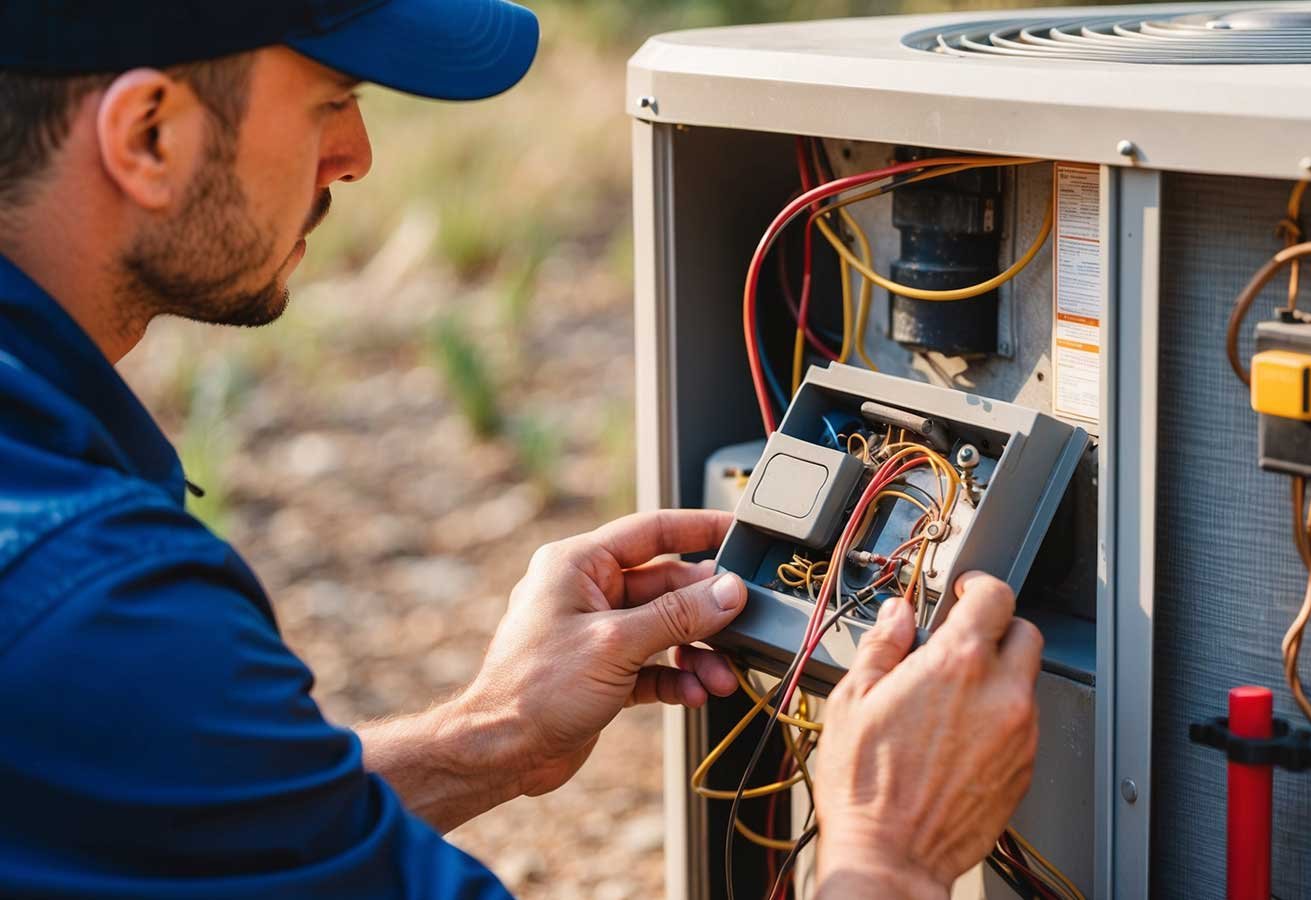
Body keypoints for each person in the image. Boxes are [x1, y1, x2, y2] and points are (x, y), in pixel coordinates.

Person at [0, 2, 1043, 898]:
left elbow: (167, 827)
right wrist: (888, 853)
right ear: (146, 135)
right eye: (329, 99)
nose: (356, 154)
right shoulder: (90, 604)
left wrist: (492, 733)